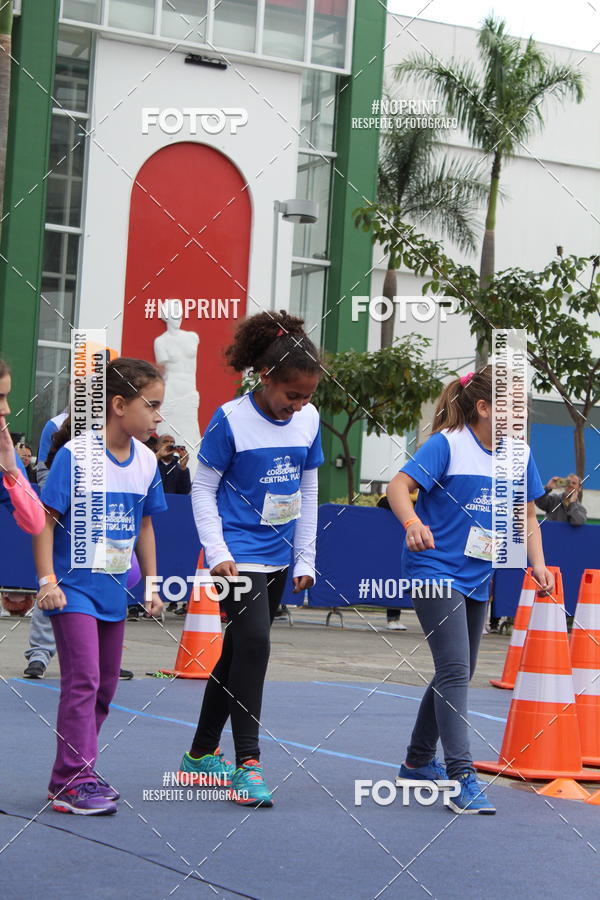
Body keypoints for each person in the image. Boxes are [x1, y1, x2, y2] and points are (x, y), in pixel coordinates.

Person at [386, 368, 553, 815]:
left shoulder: (519, 453)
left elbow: (528, 515)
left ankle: (417, 762)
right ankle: (462, 774)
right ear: (483, 408)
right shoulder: (449, 443)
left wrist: (536, 563)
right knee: (457, 669)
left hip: (478, 575)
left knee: (455, 670)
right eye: (512, 409)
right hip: (434, 570)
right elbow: (398, 486)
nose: (520, 417)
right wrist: (412, 522)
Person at [179, 310, 323, 808]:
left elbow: (308, 486)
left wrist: (305, 556)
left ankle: (199, 754)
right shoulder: (231, 418)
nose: (299, 405)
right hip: (237, 558)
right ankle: (248, 762)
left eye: (307, 396)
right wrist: (217, 553)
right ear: (266, 378)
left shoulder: (308, 420)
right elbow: (202, 487)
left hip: (280, 555)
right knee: (256, 645)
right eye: (291, 395)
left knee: (238, 652)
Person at [33, 358, 167, 815]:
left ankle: (76, 772)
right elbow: (44, 522)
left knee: (105, 688)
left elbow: (145, 528)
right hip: (73, 589)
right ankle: (72, 780)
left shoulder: (147, 461)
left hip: (115, 590)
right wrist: (47, 581)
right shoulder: (77, 454)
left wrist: (151, 584)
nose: (158, 416)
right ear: (118, 404)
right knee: (84, 680)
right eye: (151, 405)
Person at [0, 359, 45, 535]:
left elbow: (35, 523)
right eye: (0, 397)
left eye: (6, 396)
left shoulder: (5, 457)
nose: (6, 409)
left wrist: (11, 472)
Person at [376, 495, 407, 630]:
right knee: (393, 579)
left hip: (416, 546)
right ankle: (393, 618)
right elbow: (383, 502)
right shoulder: (393, 497)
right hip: (393, 545)